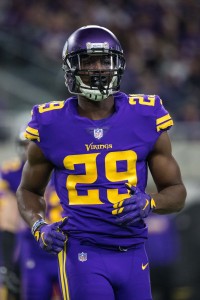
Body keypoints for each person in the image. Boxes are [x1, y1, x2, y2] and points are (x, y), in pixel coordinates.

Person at [16, 25, 187, 300]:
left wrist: (150, 202)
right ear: (71, 68)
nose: (97, 69)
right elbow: (27, 190)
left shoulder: (145, 115)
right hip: (83, 252)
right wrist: (39, 226)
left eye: (104, 60)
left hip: (134, 252)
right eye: (88, 61)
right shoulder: (50, 123)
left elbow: (176, 191)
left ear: (117, 65)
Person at [0, 130, 62, 300]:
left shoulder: (69, 166)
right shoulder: (14, 173)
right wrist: (6, 263)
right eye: (26, 145)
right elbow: (8, 220)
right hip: (35, 247)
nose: (29, 150)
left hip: (68, 246)